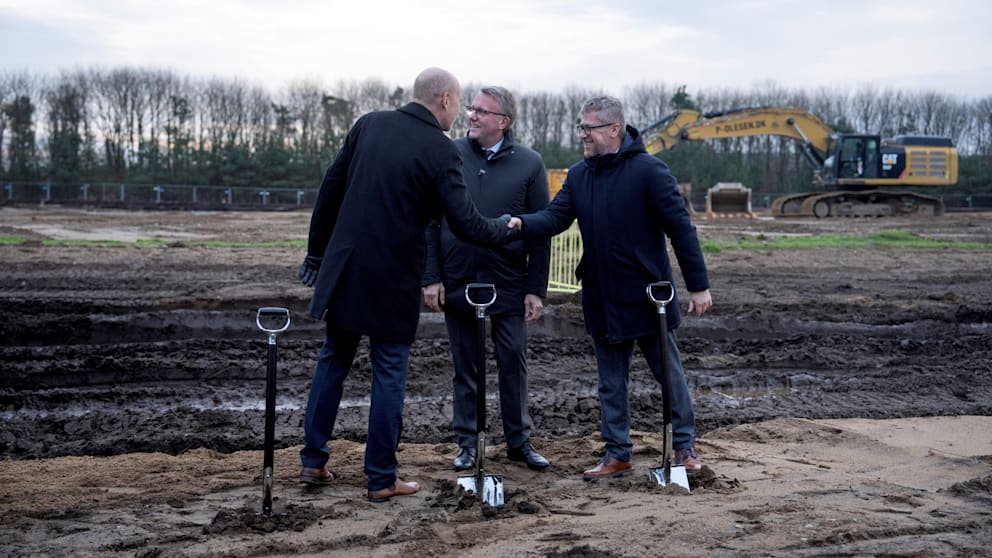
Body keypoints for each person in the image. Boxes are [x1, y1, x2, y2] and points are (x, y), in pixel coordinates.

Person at [297, 67, 517, 503]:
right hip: (392, 278)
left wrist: (316, 254)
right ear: (446, 100)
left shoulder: (368, 125)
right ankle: (381, 478)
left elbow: (330, 191)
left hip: (345, 270)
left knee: (333, 362)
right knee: (389, 373)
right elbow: (466, 224)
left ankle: (313, 461)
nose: (460, 113)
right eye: (460, 104)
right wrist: (505, 227)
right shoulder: (440, 149)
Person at [507, 95, 712, 480]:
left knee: (669, 377)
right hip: (601, 295)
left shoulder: (650, 171)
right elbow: (555, 218)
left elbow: (681, 230)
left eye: (589, 128)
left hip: (648, 296)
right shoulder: (579, 175)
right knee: (610, 382)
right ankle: (617, 453)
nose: (582, 134)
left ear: (614, 129)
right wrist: (522, 223)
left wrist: (698, 286)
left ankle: (684, 448)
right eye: (581, 127)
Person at [422, 86, 552, 472]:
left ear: (503, 121)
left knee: (512, 360)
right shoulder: (449, 154)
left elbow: (540, 229)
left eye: (482, 111)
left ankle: (519, 442)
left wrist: (535, 289)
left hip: (508, 280)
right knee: (466, 366)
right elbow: (430, 221)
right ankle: (467, 444)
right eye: (472, 108)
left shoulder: (529, 163)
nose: (472, 116)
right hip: (458, 277)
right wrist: (432, 277)